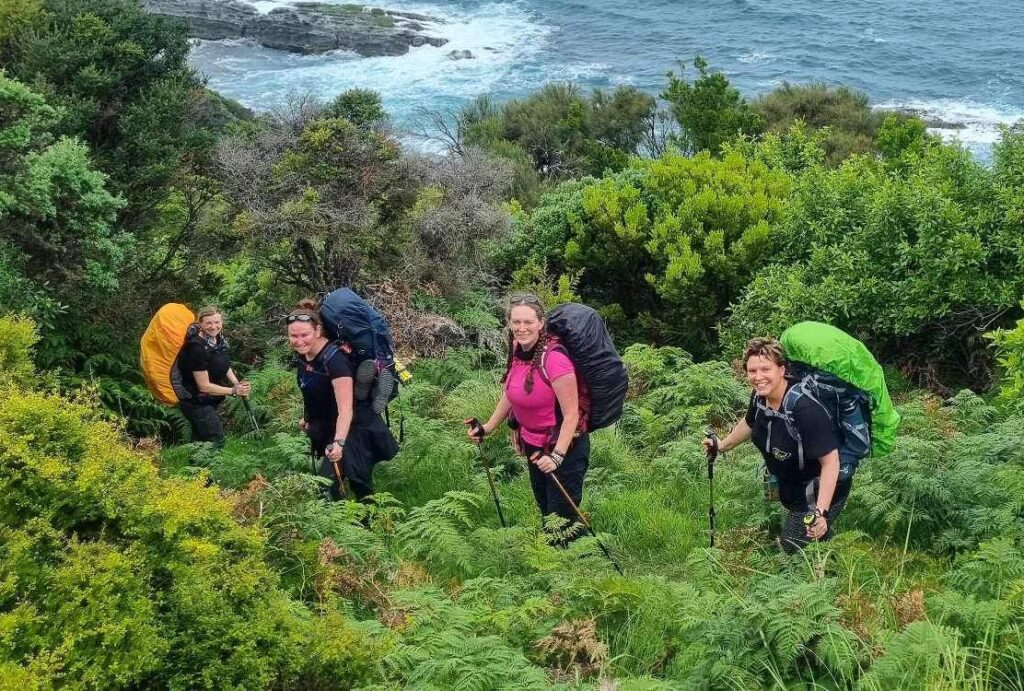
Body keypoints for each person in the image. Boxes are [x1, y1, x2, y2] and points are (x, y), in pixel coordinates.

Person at [705, 337, 850, 553]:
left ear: (782, 369)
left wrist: (821, 513)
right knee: (812, 546)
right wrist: (722, 445)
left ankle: (829, 573)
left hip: (818, 491)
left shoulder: (804, 408)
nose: (758, 377)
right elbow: (749, 423)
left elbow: (831, 462)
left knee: (790, 554)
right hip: (793, 487)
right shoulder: (760, 397)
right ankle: (832, 563)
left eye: (765, 369)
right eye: (752, 371)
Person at [468, 293, 588, 538]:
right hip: (534, 447)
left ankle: (574, 568)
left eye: (528, 322)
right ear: (509, 323)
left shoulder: (554, 359)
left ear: (541, 323)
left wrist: (557, 457)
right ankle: (561, 564)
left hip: (565, 448)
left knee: (562, 520)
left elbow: (572, 414)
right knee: (547, 513)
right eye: (516, 322)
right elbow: (511, 392)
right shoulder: (517, 350)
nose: (521, 328)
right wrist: (488, 427)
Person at [287, 299, 398, 501]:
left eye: (305, 335)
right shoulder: (304, 356)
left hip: (353, 426)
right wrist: (308, 417)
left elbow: (346, 409)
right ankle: (348, 526)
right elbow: (309, 387)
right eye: (293, 336)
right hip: (330, 424)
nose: (299, 340)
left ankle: (369, 526)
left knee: (346, 483)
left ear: (318, 331)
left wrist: (339, 443)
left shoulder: (334, 361)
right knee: (341, 483)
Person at [178, 306, 250, 447]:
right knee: (216, 442)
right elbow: (204, 386)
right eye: (208, 323)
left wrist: (236, 383)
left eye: (217, 322)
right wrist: (234, 391)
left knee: (201, 444)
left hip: (209, 401)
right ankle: (205, 468)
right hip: (197, 403)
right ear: (200, 324)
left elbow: (223, 365)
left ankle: (196, 468)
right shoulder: (196, 348)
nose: (214, 327)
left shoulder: (218, 340)